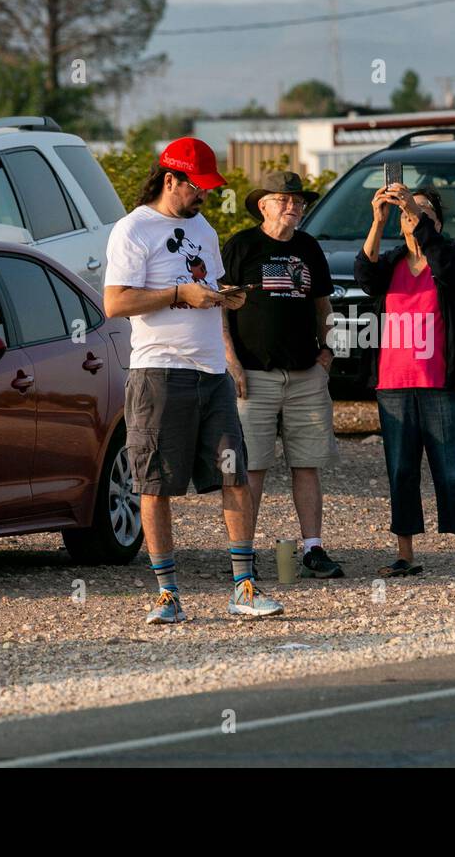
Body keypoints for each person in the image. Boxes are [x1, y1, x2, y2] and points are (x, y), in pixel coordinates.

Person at [103, 137, 285, 624]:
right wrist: (178, 293)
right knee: (156, 483)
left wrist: (227, 301)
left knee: (235, 477)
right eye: (196, 187)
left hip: (212, 373)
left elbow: (210, 290)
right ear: (170, 180)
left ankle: (243, 587)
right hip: (160, 371)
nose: (204, 196)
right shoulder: (133, 229)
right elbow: (115, 303)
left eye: (207, 187)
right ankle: (167, 593)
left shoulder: (203, 227)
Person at [355, 182, 455, 577]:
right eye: (409, 211)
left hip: (442, 383)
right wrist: (378, 221)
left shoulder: (452, 258)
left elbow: (449, 272)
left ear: (439, 223)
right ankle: (405, 552)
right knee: (401, 468)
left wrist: (420, 218)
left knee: (451, 467)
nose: (414, 215)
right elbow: (364, 275)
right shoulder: (392, 262)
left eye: (425, 210)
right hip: (394, 384)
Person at [221, 170, 345, 579]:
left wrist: (327, 353)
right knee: (251, 466)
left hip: (306, 373)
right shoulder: (241, 245)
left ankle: (313, 548)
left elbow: (322, 304)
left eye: (298, 201)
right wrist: (231, 362)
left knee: (308, 464)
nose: (293, 206)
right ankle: (245, 553)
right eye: (283, 200)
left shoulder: (309, 247)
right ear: (263, 205)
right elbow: (219, 308)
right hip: (252, 374)